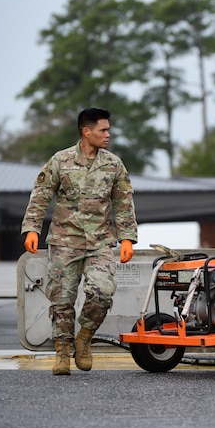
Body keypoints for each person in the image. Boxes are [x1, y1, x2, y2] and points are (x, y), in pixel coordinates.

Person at [21, 107, 138, 375]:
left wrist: (128, 238)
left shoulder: (113, 164)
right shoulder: (60, 161)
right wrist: (31, 229)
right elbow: (40, 195)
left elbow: (123, 203)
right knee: (61, 299)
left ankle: (84, 338)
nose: (108, 134)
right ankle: (62, 351)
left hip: (100, 243)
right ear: (86, 132)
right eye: (103, 130)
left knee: (102, 292)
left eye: (108, 129)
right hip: (65, 241)